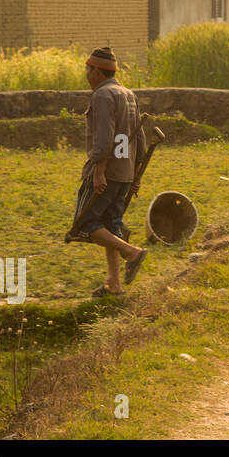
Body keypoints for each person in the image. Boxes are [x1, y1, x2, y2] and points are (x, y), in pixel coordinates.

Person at [77, 47, 148, 297]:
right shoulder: (129, 95)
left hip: (107, 173)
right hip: (125, 173)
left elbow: (104, 138)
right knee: (111, 226)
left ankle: (132, 252)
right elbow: (140, 138)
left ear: (97, 71)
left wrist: (98, 171)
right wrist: (135, 176)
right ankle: (114, 284)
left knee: (84, 224)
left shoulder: (102, 95)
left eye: (88, 69)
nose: (86, 73)